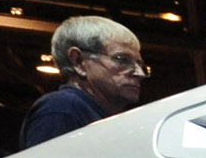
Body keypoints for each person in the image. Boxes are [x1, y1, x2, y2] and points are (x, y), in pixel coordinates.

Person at [20, 15, 148, 148]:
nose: (140, 73)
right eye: (122, 59)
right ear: (78, 61)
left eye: (140, 64)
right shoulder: (61, 108)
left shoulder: (85, 113)